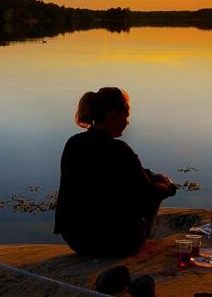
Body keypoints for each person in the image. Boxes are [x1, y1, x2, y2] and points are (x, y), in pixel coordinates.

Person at [54, 87, 177, 256]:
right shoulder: (119, 150)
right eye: (126, 116)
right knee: (153, 195)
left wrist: (150, 175)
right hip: (116, 243)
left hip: (76, 239)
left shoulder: (74, 143)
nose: (128, 122)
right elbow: (147, 192)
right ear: (112, 116)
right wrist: (169, 188)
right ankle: (143, 239)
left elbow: (124, 171)